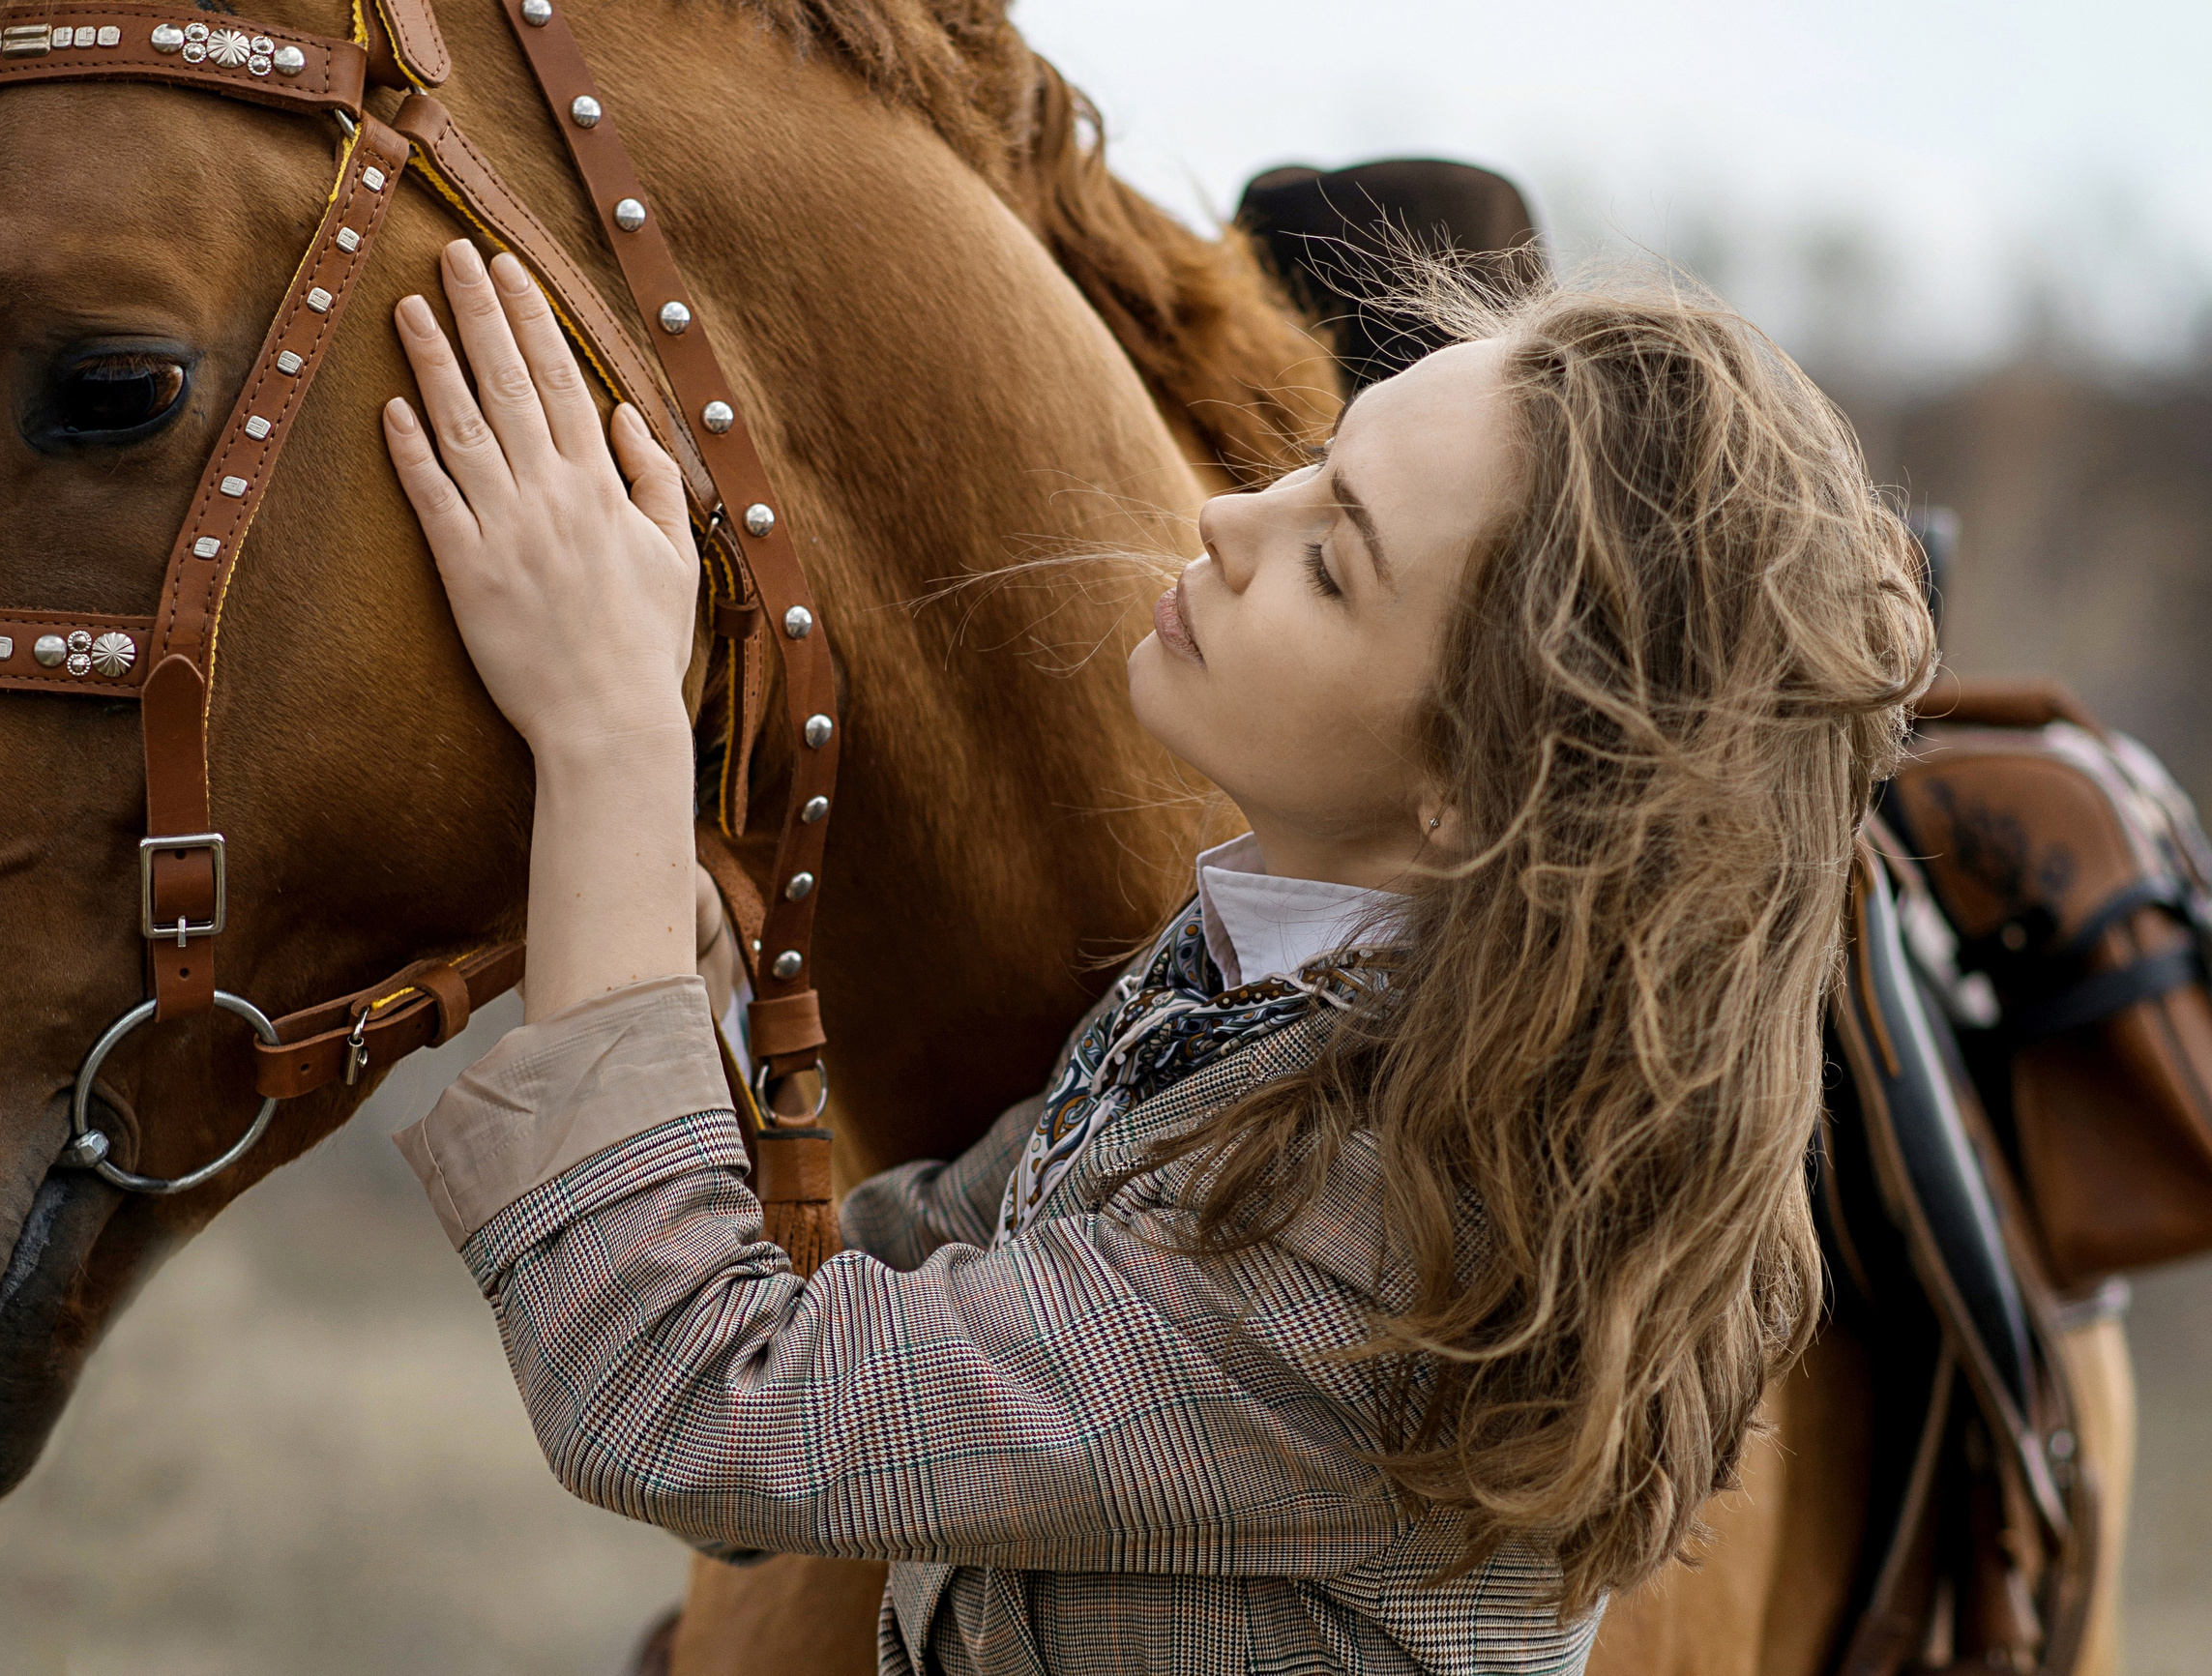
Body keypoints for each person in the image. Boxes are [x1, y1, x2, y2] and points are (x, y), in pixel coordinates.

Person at [376, 236, 1933, 1674]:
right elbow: (877, 1307)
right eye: (1319, 461)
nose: (1232, 520)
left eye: (1335, 561)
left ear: (1481, 789)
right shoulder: (1258, 994)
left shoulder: (1377, 1250)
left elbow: (698, 1402)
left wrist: (608, 729)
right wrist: (688, 989)